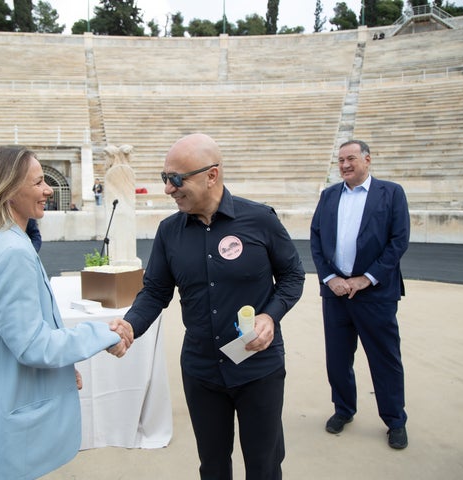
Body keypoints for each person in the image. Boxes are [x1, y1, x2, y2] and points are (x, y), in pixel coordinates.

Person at [110, 133, 305, 479]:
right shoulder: (169, 231)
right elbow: (155, 292)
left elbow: (292, 275)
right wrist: (130, 325)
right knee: (213, 466)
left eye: (176, 179)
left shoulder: (259, 220)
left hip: (258, 368)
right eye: (164, 178)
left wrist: (271, 316)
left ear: (211, 175)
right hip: (201, 370)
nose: (168, 189)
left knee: (264, 464)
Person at [0, 145, 132, 480]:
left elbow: (10, 337)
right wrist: (102, 333)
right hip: (2, 438)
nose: (47, 190)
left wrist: (62, 368)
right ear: (9, 190)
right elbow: (33, 345)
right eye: (39, 182)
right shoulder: (12, 251)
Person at [309, 139, 410, 449]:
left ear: (367, 159)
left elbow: (399, 241)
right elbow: (315, 238)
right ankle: (343, 409)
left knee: (384, 359)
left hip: (375, 294)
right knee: (337, 359)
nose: (344, 165)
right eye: (340, 160)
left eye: (351, 158)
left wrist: (367, 278)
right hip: (336, 294)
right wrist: (330, 278)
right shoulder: (328, 196)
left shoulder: (391, 193)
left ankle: (395, 420)